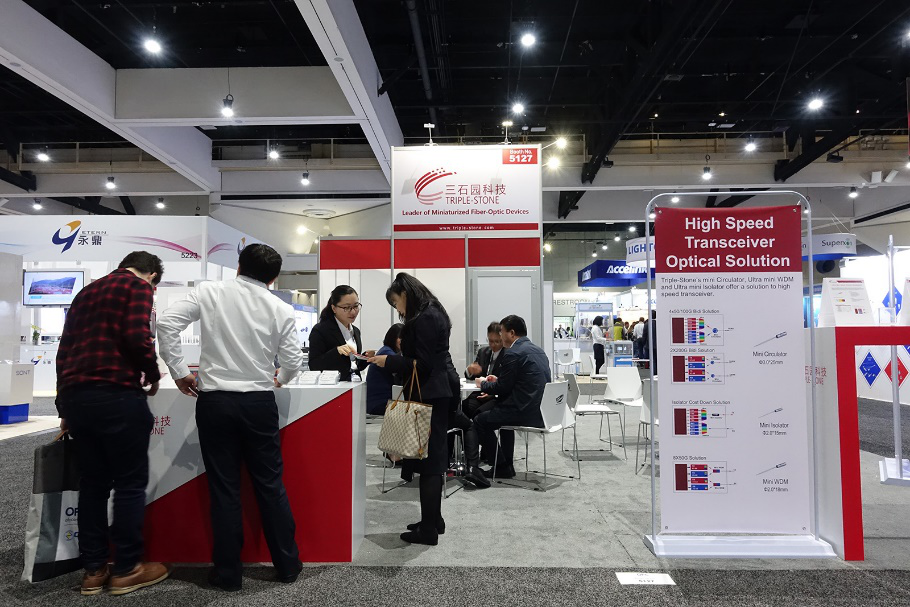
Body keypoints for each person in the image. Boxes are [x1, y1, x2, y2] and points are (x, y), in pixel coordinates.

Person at [156, 243, 305, 591]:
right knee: (270, 484)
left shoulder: (209, 292)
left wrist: (179, 371)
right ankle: (287, 565)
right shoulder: (280, 308)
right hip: (258, 403)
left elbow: (166, 323)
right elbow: (292, 361)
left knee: (224, 488)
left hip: (216, 401)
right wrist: (280, 379)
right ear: (273, 278)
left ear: (238, 266)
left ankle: (228, 573)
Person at [55, 251, 170, 596]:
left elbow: (64, 351)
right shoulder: (138, 287)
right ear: (152, 275)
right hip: (117, 394)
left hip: (78, 398)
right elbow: (137, 335)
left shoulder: (85, 293)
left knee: (92, 484)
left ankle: (93, 570)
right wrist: (152, 374)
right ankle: (127, 568)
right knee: (130, 483)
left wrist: (64, 406)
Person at [369, 273, 489, 546]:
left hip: (430, 394)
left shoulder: (424, 317)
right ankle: (433, 520)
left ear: (405, 294)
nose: (398, 310)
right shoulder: (434, 311)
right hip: (438, 393)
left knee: (430, 465)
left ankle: (428, 530)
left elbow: (421, 364)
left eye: (396, 303)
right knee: (431, 461)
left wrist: (389, 361)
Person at [465, 315, 552, 479]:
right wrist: (498, 380)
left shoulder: (514, 353)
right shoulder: (538, 351)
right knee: (496, 416)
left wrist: (482, 384)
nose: (500, 336)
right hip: (540, 410)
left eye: (502, 332)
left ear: (511, 333)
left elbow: (502, 388)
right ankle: (506, 464)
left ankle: (501, 466)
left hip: (523, 410)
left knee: (479, 421)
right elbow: (519, 381)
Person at [308, 285, 375, 381]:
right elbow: (314, 365)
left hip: (354, 384)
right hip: (333, 386)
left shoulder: (355, 331)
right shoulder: (321, 330)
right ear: (334, 308)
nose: (353, 312)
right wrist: (336, 352)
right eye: (347, 307)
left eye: (356, 306)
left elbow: (353, 365)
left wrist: (365, 357)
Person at [462, 322, 505, 419]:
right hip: (480, 393)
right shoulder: (483, 352)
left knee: (480, 414)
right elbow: (471, 376)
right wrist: (470, 370)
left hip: (496, 396)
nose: (493, 345)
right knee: (462, 407)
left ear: (502, 339)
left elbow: (506, 383)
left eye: (497, 341)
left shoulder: (508, 354)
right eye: (490, 341)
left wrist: (492, 393)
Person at [365, 323, 403, 415]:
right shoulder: (387, 353)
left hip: (379, 401)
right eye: (400, 337)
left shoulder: (387, 350)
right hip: (380, 403)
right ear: (393, 338)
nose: (403, 341)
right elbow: (402, 371)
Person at [641, 309, 658, 374]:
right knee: (658, 359)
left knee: (652, 360)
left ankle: (654, 374)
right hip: (658, 345)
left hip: (649, 345)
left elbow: (644, 335)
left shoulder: (647, 324)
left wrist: (644, 344)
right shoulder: (659, 323)